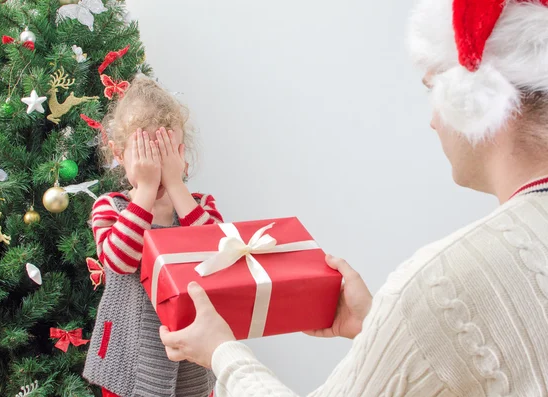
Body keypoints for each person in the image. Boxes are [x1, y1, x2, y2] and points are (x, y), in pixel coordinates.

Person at [159, 0, 548, 395]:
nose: (432, 121)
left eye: (433, 89)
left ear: (478, 96)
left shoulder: (440, 283)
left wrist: (223, 355)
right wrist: (378, 327)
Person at [83, 76, 222, 397]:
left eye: (165, 156)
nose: (156, 170)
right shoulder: (112, 208)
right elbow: (119, 261)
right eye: (146, 157)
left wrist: (176, 187)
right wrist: (145, 190)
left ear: (182, 155)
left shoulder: (199, 207)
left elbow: (215, 255)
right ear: (119, 153)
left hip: (190, 354)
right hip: (127, 355)